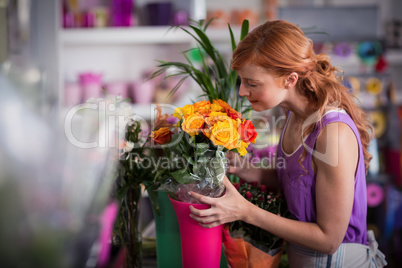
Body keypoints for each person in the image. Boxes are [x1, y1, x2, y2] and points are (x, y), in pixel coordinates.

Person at [187, 20, 387, 267]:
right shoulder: (293, 115)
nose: (242, 92)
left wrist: (246, 211)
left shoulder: (332, 133)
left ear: (290, 80)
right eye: (242, 81)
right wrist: (252, 170)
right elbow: (299, 182)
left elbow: (329, 239)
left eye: (252, 83)